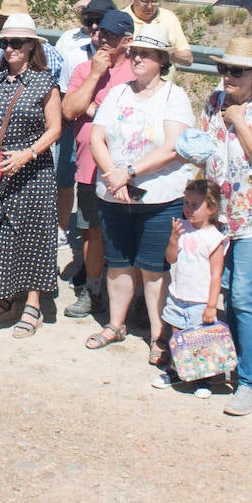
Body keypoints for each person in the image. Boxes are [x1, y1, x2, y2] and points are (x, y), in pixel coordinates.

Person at [87, 23, 194, 359]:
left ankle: (158, 335)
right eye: (134, 53)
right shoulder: (118, 92)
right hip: (114, 194)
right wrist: (113, 176)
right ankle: (116, 324)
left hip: (159, 196)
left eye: (146, 54)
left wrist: (128, 173)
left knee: (153, 268)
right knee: (117, 263)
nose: (136, 59)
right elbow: (96, 138)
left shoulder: (174, 96)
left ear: (162, 60)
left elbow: (173, 147)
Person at [194, 36, 252, 417]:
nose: (227, 77)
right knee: (219, 290)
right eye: (223, 69)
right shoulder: (213, 101)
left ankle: (251, 380)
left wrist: (238, 121)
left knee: (245, 297)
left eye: (236, 71)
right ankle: (220, 362)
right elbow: (203, 151)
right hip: (218, 215)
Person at [0, 13, 61, 338]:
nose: (9, 49)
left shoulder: (44, 82)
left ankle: (32, 304)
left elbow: (55, 128)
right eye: (4, 43)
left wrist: (28, 154)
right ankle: (6, 296)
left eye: (16, 43)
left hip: (30, 171)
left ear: (32, 46)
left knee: (30, 236)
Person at [62, 9, 135, 319]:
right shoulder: (84, 69)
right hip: (90, 166)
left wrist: (94, 110)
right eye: (101, 33)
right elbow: (69, 110)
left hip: (126, 168)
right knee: (92, 232)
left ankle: (136, 299)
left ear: (127, 41)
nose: (103, 39)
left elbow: (128, 118)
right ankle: (92, 291)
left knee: (129, 232)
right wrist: (94, 75)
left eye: (112, 36)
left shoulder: (137, 71)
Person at [155, 178, 228, 396]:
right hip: (179, 294)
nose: (189, 209)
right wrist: (173, 239)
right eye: (186, 203)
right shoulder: (182, 229)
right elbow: (171, 259)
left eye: (195, 205)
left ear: (212, 208)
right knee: (177, 337)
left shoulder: (214, 237)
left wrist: (212, 305)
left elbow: (216, 275)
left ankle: (202, 378)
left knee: (199, 340)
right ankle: (177, 371)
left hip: (200, 299)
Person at [55, 0, 114, 245]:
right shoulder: (74, 56)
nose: (94, 28)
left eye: (99, 22)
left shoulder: (123, 58)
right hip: (73, 128)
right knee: (66, 177)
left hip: (107, 133)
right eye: (89, 21)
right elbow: (64, 93)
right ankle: (62, 227)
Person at [126, 0, 193, 67]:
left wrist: (166, 52)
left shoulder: (169, 18)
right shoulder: (121, 19)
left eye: (154, 1)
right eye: (145, 1)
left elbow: (188, 59)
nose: (149, 7)